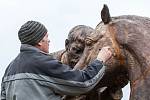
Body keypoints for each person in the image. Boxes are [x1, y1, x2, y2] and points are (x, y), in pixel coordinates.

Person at [1, 21, 112, 100]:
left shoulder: (10, 68)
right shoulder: (43, 63)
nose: (49, 40)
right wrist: (100, 60)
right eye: (46, 37)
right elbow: (83, 82)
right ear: (39, 41)